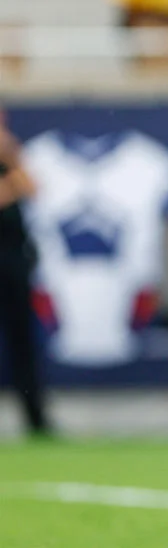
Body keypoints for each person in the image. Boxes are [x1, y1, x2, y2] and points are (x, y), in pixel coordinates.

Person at [0, 107, 48, 435]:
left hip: (14, 264)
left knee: (23, 343)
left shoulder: (10, 160)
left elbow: (34, 189)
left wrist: (13, 159)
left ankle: (35, 418)